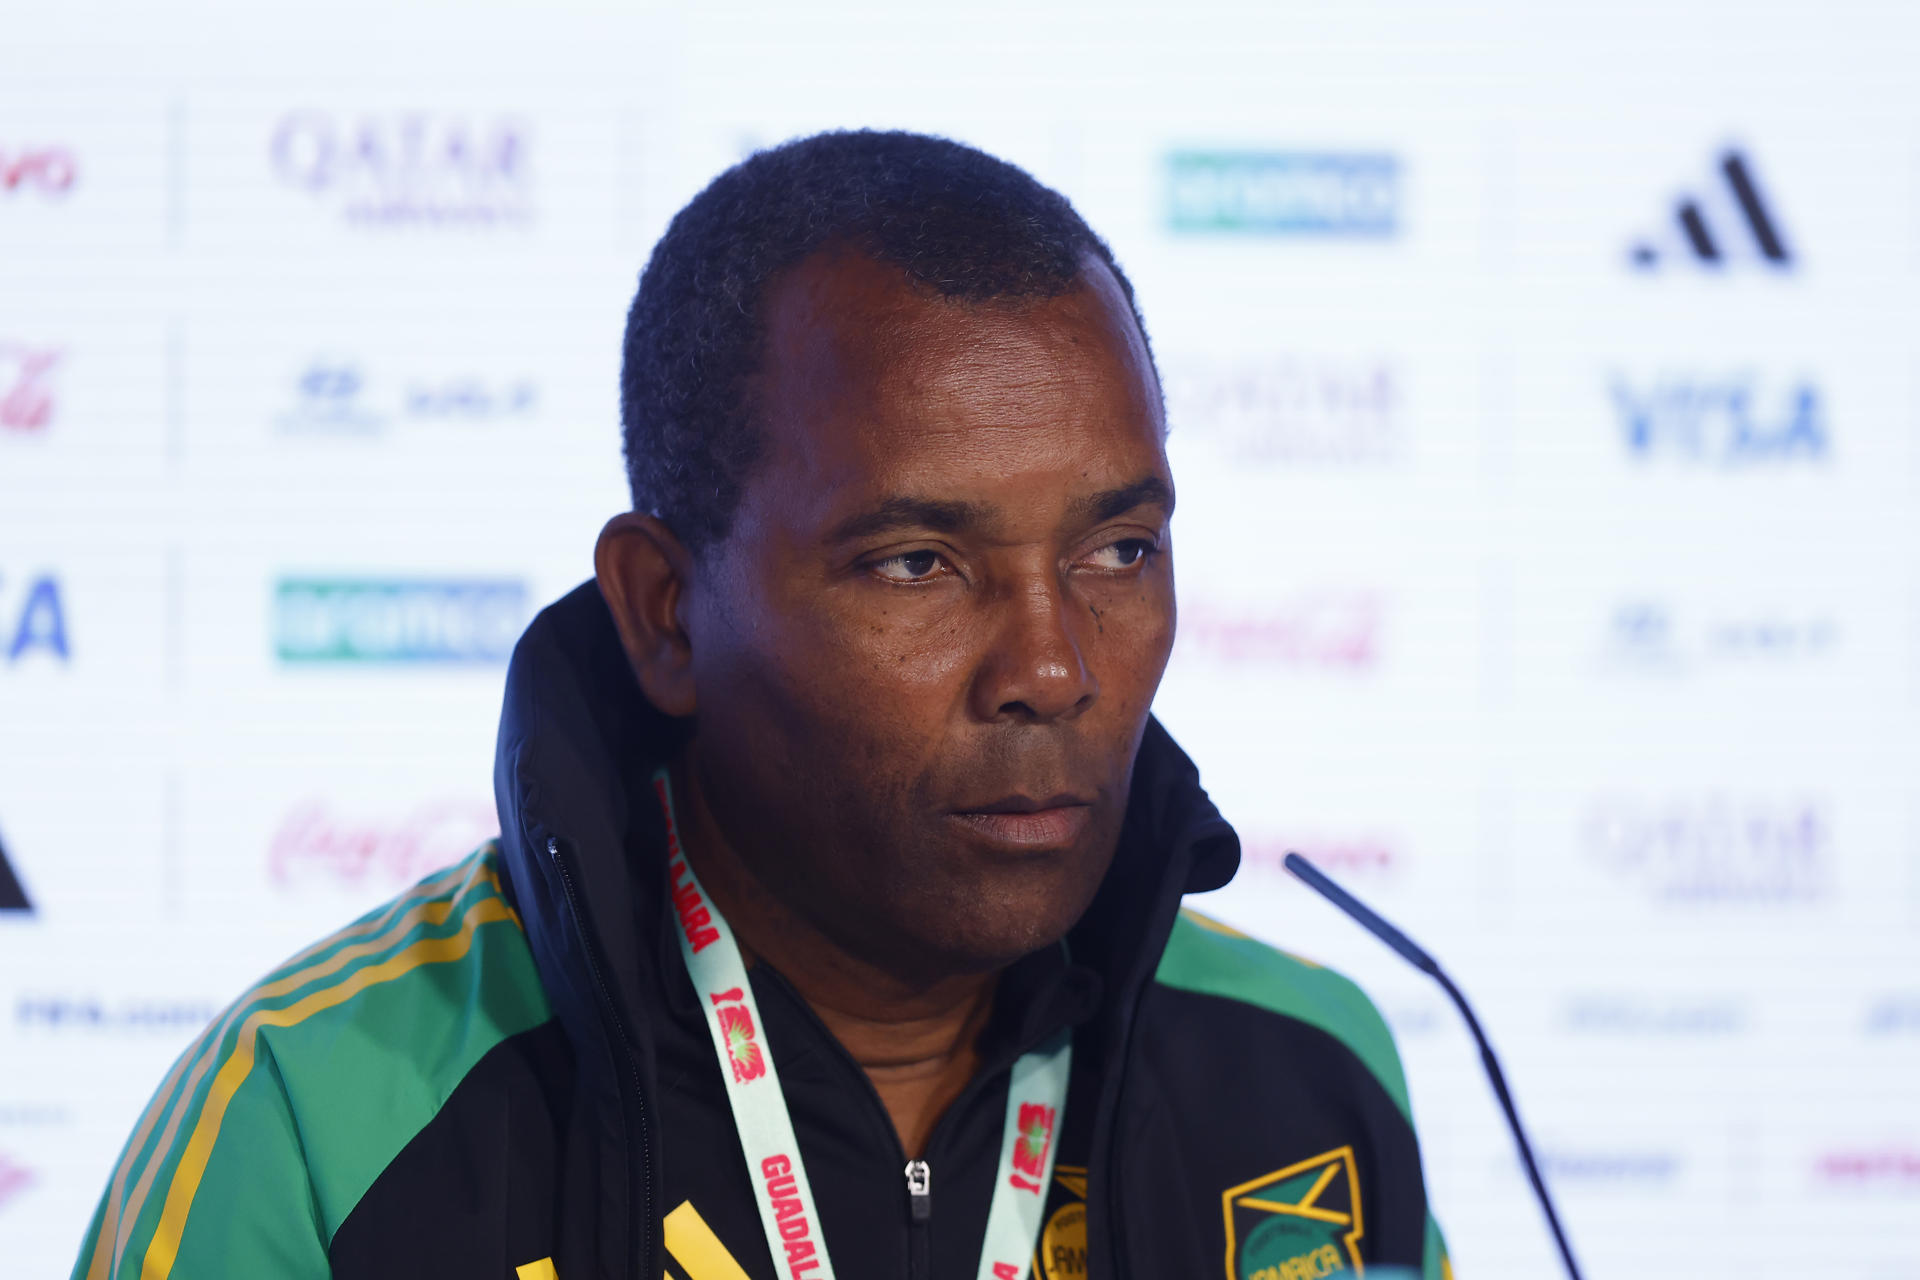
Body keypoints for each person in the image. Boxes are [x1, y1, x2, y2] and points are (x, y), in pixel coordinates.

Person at [72, 130, 1450, 1280]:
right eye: (917, 564)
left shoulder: (1309, 1078)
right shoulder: (316, 1120)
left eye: (1119, 552)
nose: (1053, 669)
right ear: (667, 610)